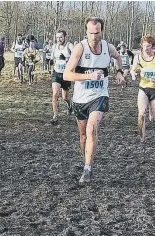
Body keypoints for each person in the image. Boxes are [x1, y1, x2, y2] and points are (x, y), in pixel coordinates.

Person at [63, 17, 125, 183]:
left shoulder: (108, 47)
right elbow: (67, 74)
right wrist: (89, 76)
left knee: (91, 129)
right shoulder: (80, 48)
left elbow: (117, 57)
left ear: (101, 31)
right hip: (80, 98)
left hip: (99, 96)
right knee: (83, 135)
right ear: (86, 32)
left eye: (97, 33)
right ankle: (86, 161)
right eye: (91, 33)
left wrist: (119, 72)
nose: (94, 37)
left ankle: (88, 169)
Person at [130, 35, 155, 142]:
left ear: (152, 46)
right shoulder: (138, 57)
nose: (146, 49)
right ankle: (142, 137)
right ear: (141, 46)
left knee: (154, 118)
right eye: (144, 46)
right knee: (141, 113)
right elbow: (133, 69)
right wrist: (133, 74)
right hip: (143, 88)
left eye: (148, 46)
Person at [50, 29, 74, 125]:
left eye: (60, 37)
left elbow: (76, 56)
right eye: (57, 37)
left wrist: (67, 59)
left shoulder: (69, 46)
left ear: (65, 37)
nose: (59, 39)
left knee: (65, 97)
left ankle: (69, 105)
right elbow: (52, 58)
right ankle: (55, 116)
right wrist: (51, 63)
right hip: (57, 73)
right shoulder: (54, 46)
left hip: (66, 75)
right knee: (55, 94)